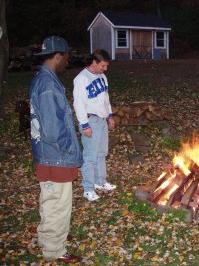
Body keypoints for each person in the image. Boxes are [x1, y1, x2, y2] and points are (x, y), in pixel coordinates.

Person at [30, 36, 83, 263]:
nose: (68, 61)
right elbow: (52, 131)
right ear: (58, 56)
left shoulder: (43, 79)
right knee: (58, 205)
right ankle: (54, 249)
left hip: (49, 156)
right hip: (56, 157)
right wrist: (69, 148)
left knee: (50, 200)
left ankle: (49, 237)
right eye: (67, 56)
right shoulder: (48, 85)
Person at [73, 49, 116, 201]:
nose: (105, 69)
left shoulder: (102, 77)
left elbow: (106, 99)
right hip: (91, 120)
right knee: (90, 157)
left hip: (102, 120)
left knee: (101, 153)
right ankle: (88, 188)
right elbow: (78, 104)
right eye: (103, 65)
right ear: (94, 62)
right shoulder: (82, 78)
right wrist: (85, 125)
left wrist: (110, 116)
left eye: (107, 66)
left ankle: (100, 181)